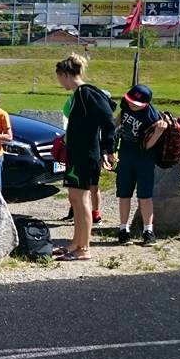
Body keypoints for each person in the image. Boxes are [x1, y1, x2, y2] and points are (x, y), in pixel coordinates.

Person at [54, 54, 116, 262]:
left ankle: (84, 248)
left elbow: (108, 120)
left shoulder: (88, 93)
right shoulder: (77, 95)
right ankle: (75, 243)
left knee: (82, 201)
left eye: (59, 77)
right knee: (74, 198)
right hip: (75, 154)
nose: (59, 82)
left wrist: (109, 148)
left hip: (86, 155)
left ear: (65, 75)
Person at [115, 84, 167, 247]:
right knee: (124, 193)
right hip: (125, 155)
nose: (131, 105)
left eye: (136, 104)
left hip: (144, 159)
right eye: (130, 100)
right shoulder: (126, 106)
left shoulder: (151, 116)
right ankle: (123, 229)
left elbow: (147, 146)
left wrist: (158, 132)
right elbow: (117, 120)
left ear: (145, 104)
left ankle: (148, 231)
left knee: (145, 196)